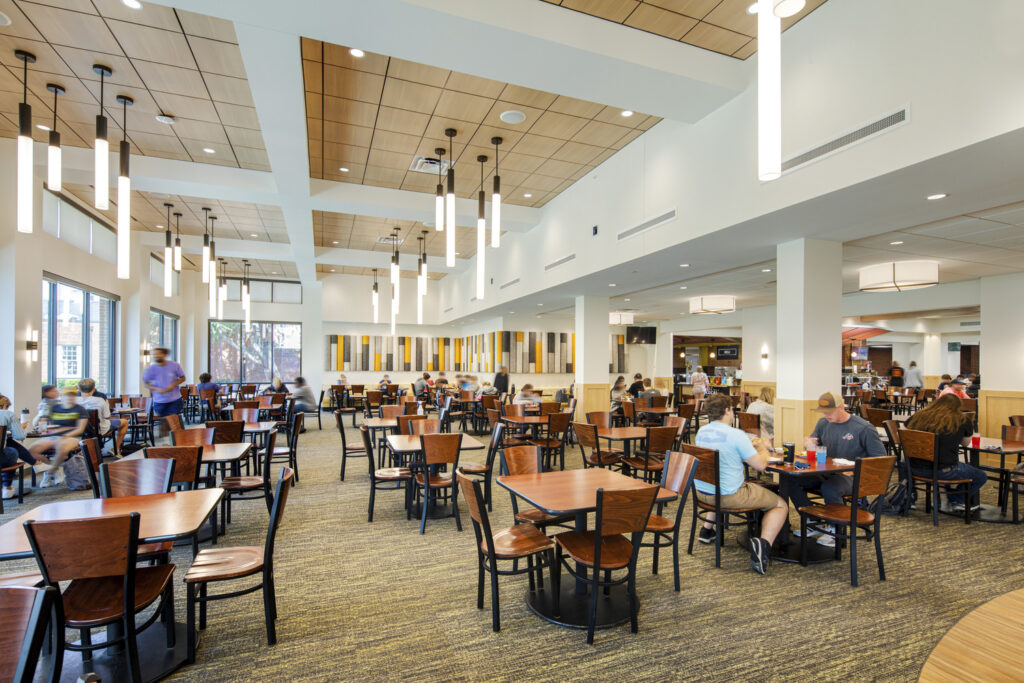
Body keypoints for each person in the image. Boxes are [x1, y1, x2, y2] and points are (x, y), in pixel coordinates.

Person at [694, 393, 788, 576]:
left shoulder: (701, 432)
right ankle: (763, 546)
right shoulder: (736, 435)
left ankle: (707, 531)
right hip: (729, 496)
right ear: (728, 410)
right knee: (780, 504)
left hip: (702, 492)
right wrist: (762, 446)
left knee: (720, 479)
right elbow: (760, 466)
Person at [794, 391, 887, 547]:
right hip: (826, 472)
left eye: (830, 411)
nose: (826, 415)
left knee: (831, 487)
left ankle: (835, 531)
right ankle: (813, 522)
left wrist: (856, 469)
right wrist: (809, 444)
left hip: (854, 476)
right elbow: (813, 444)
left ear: (842, 407)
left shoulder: (863, 428)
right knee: (793, 479)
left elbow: (881, 460)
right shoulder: (823, 423)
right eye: (823, 411)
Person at [905, 393, 985, 512]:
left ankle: (910, 499)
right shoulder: (962, 420)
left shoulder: (920, 415)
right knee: (980, 476)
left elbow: (905, 433)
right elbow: (965, 443)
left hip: (913, 468)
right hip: (943, 470)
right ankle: (957, 499)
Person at [28, 386, 89, 487]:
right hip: (53, 436)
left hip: (72, 437)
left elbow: (80, 429)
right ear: (62, 396)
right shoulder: (54, 408)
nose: (70, 398)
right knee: (31, 450)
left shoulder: (80, 409)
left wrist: (65, 435)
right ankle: (53, 467)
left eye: (72, 395)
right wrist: (40, 414)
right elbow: (38, 424)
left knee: (62, 448)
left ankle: (49, 473)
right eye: (67, 395)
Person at [78, 378, 128, 455]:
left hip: (79, 430)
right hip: (99, 429)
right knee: (124, 422)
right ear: (94, 389)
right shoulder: (100, 399)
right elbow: (107, 417)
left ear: (79, 389)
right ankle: (115, 449)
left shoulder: (73, 401)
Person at [0, 394, 35, 499]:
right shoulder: (7, 414)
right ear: (4, 406)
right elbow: (20, 436)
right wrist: (21, 427)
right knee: (12, 451)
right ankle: (7, 487)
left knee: (9, 442)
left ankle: (35, 463)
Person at [142, 347, 186, 419]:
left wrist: (173, 385)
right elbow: (145, 383)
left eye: (159, 354)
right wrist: (156, 388)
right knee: (164, 423)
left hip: (174, 400)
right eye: (155, 354)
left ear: (165, 355)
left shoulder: (174, 365)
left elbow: (183, 378)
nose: (157, 356)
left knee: (173, 421)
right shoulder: (150, 369)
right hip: (159, 401)